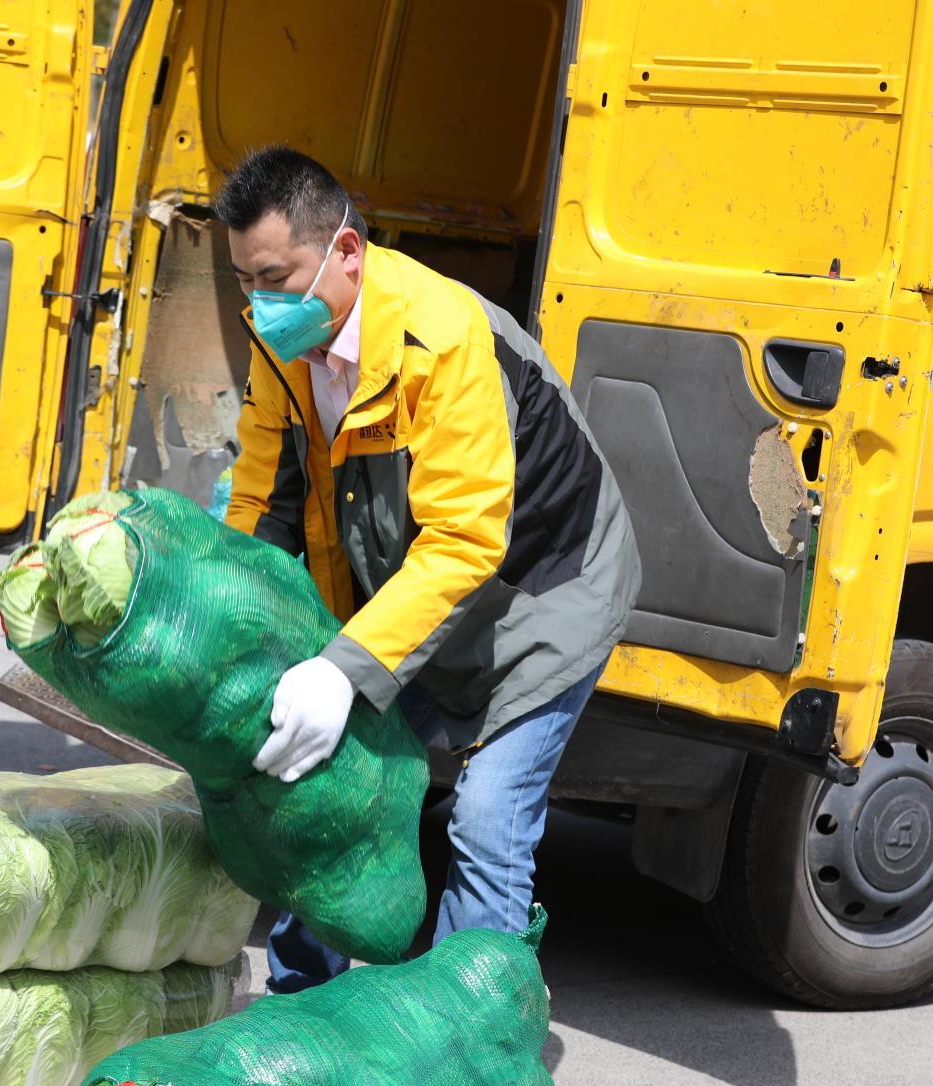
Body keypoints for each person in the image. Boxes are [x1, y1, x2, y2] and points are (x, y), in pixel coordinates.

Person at [216, 146, 642, 993]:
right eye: (243, 282)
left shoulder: (442, 341)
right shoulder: (284, 345)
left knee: (487, 824)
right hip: (421, 591)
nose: (258, 305)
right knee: (329, 777)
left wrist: (344, 671)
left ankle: (463, 1037)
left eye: (274, 278)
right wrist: (240, 622)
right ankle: (303, 1003)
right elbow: (264, 501)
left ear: (345, 252)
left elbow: (464, 541)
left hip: (544, 596)